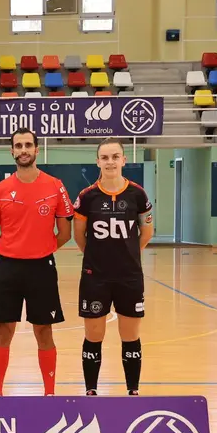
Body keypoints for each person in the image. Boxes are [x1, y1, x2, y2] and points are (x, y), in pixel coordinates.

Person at [0, 128, 74, 397]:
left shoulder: (55, 185)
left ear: (36, 149)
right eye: (18, 145)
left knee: (44, 331)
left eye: (28, 145)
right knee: (4, 330)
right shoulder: (0, 190)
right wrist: (13, 251)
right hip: (8, 269)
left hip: (42, 269)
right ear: (12, 151)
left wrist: (41, 250)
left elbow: (66, 233)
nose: (23, 150)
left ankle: (49, 394)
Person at [72, 138, 154, 397]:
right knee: (94, 334)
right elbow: (79, 236)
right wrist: (100, 258)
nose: (110, 162)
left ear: (123, 160)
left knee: (130, 335)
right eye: (105, 157)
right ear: (97, 161)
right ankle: (91, 390)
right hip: (96, 277)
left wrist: (127, 254)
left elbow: (146, 231)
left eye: (115, 157)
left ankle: (133, 390)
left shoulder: (137, 194)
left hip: (129, 276)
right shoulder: (87, 197)